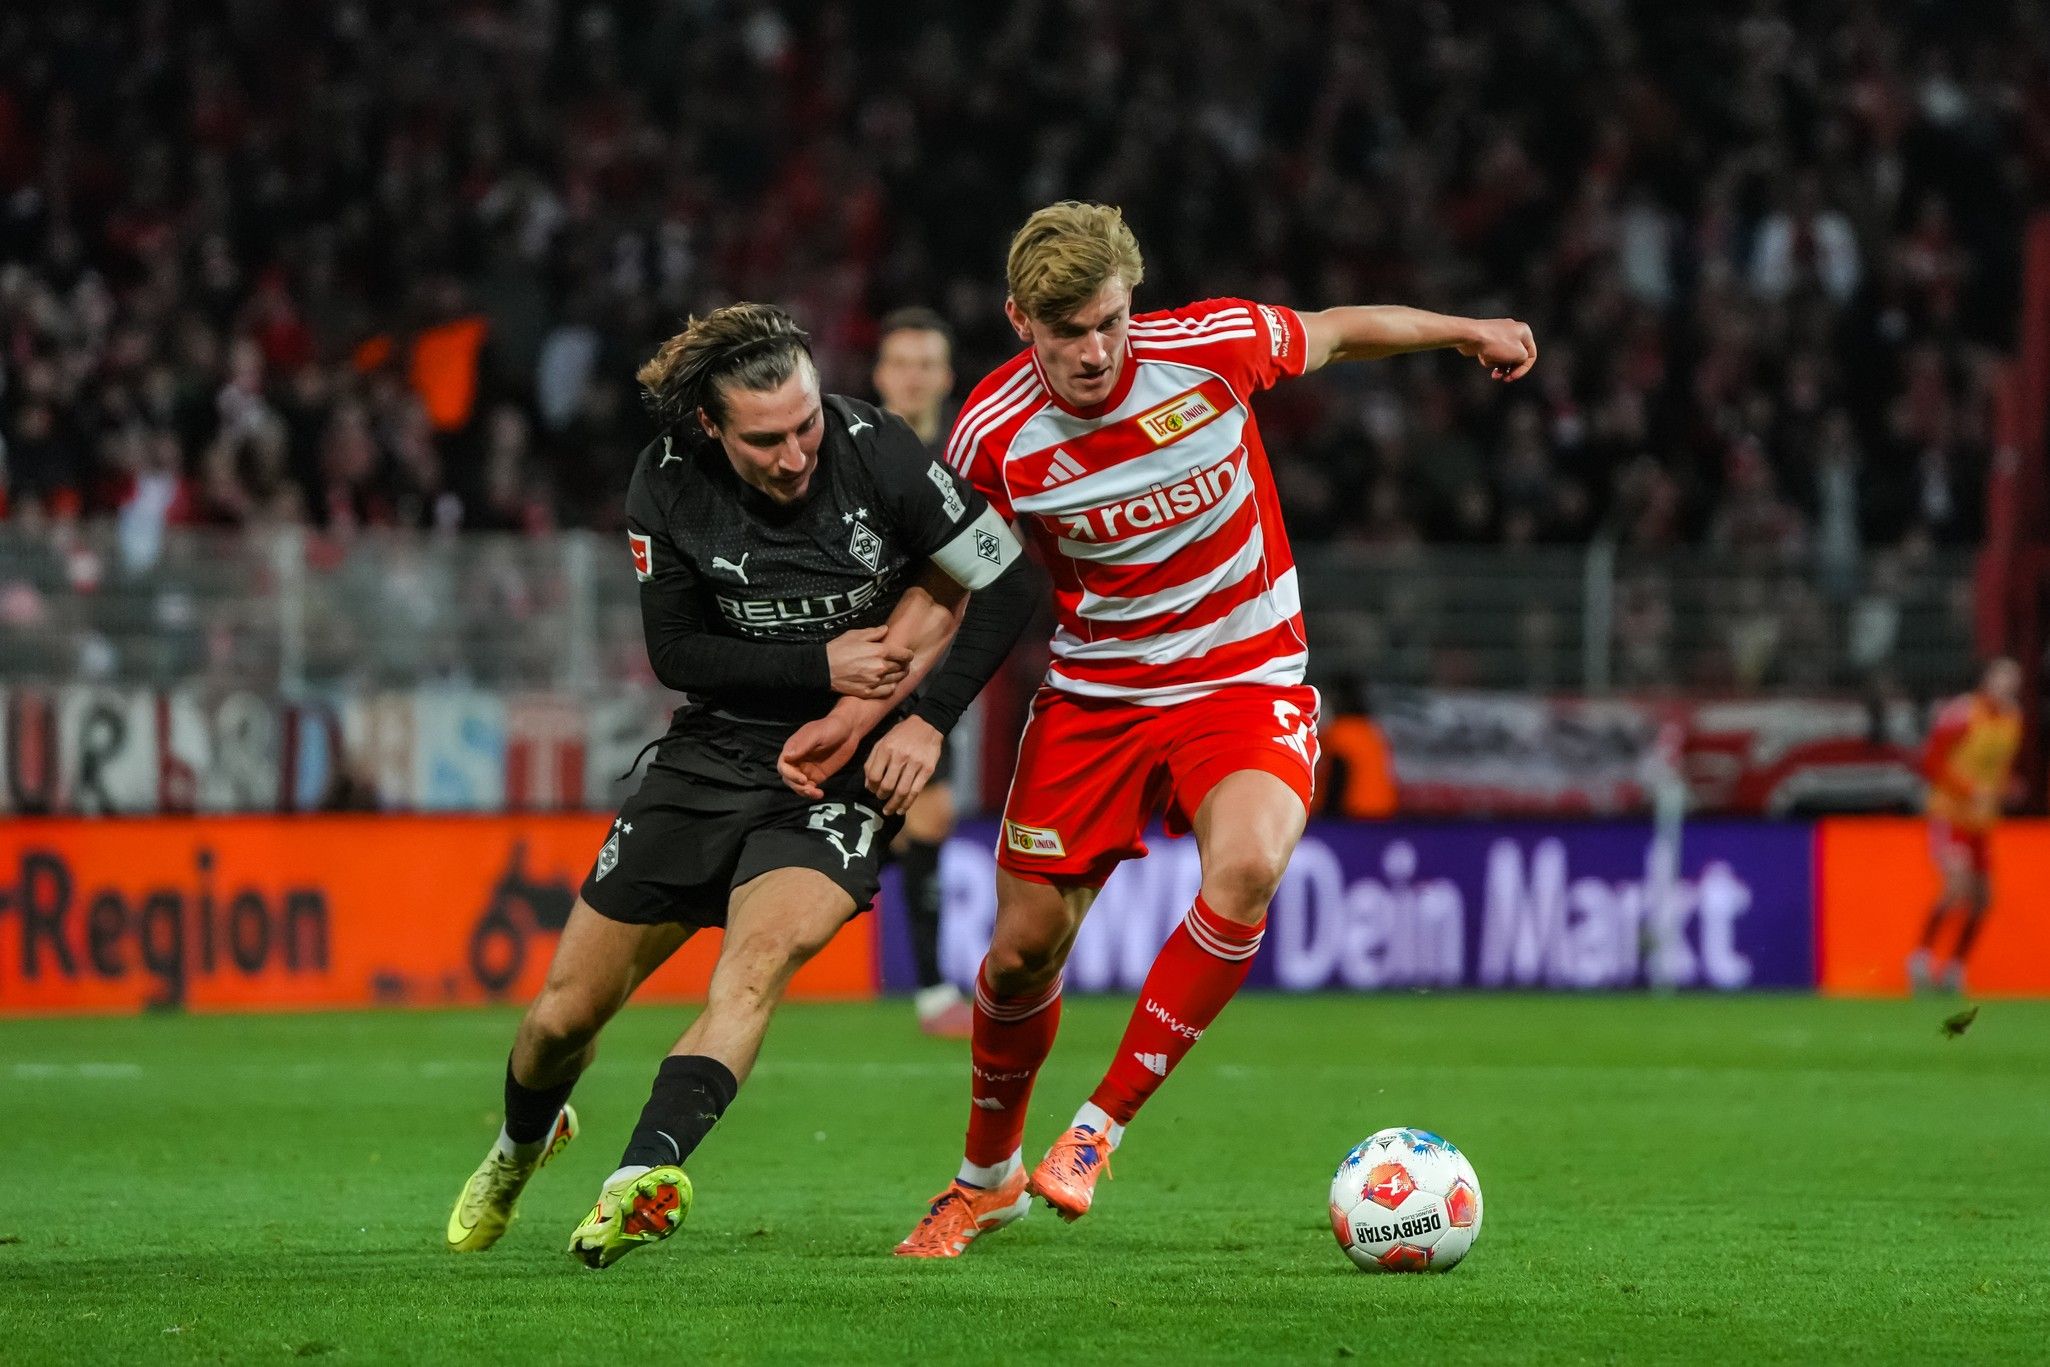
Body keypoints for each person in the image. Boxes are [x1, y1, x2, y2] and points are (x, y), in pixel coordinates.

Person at [888, 201, 1536, 1257]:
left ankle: (1095, 1131)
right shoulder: (992, 434)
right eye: (1068, 333)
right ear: (1021, 322)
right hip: (1096, 696)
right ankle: (983, 1177)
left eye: (1109, 322)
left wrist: (1462, 328)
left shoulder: (1211, 347)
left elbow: (1334, 327)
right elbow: (962, 585)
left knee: (1244, 868)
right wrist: (889, 696)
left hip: (1245, 676)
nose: (1095, 351)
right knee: (1016, 955)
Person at [443, 303, 1035, 1269]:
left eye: (804, 424)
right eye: (769, 438)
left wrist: (926, 723)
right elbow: (675, 651)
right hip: (710, 758)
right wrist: (821, 666)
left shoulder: (872, 447)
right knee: (561, 1018)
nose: (798, 452)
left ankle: (636, 1178)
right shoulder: (667, 484)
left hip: (843, 773)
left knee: (753, 969)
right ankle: (519, 1147)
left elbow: (1004, 580)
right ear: (712, 428)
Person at [872, 308, 974, 1037]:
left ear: (945, 376)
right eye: (900, 362)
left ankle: (934, 990)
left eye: (925, 363)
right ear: (880, 374)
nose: (912, 375)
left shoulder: (964, 463)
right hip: (847, 663)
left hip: (929, 669)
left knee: (926, 818)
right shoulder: (844, 451)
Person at [1909, 657, 2022, 994]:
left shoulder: (2013, 719)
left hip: (1981, 820)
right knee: (1957, 888)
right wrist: (1968, 789)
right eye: (2003, 677)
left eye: (2013, 679)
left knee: (1984, 898)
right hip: (1951, 813)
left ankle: (1954, 968)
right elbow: (1932, 760)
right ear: (1987, 679)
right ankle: (1920, 959)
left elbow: (1995, 770)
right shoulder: (1963, 713)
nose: (2008, 685)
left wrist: (2007, 787)